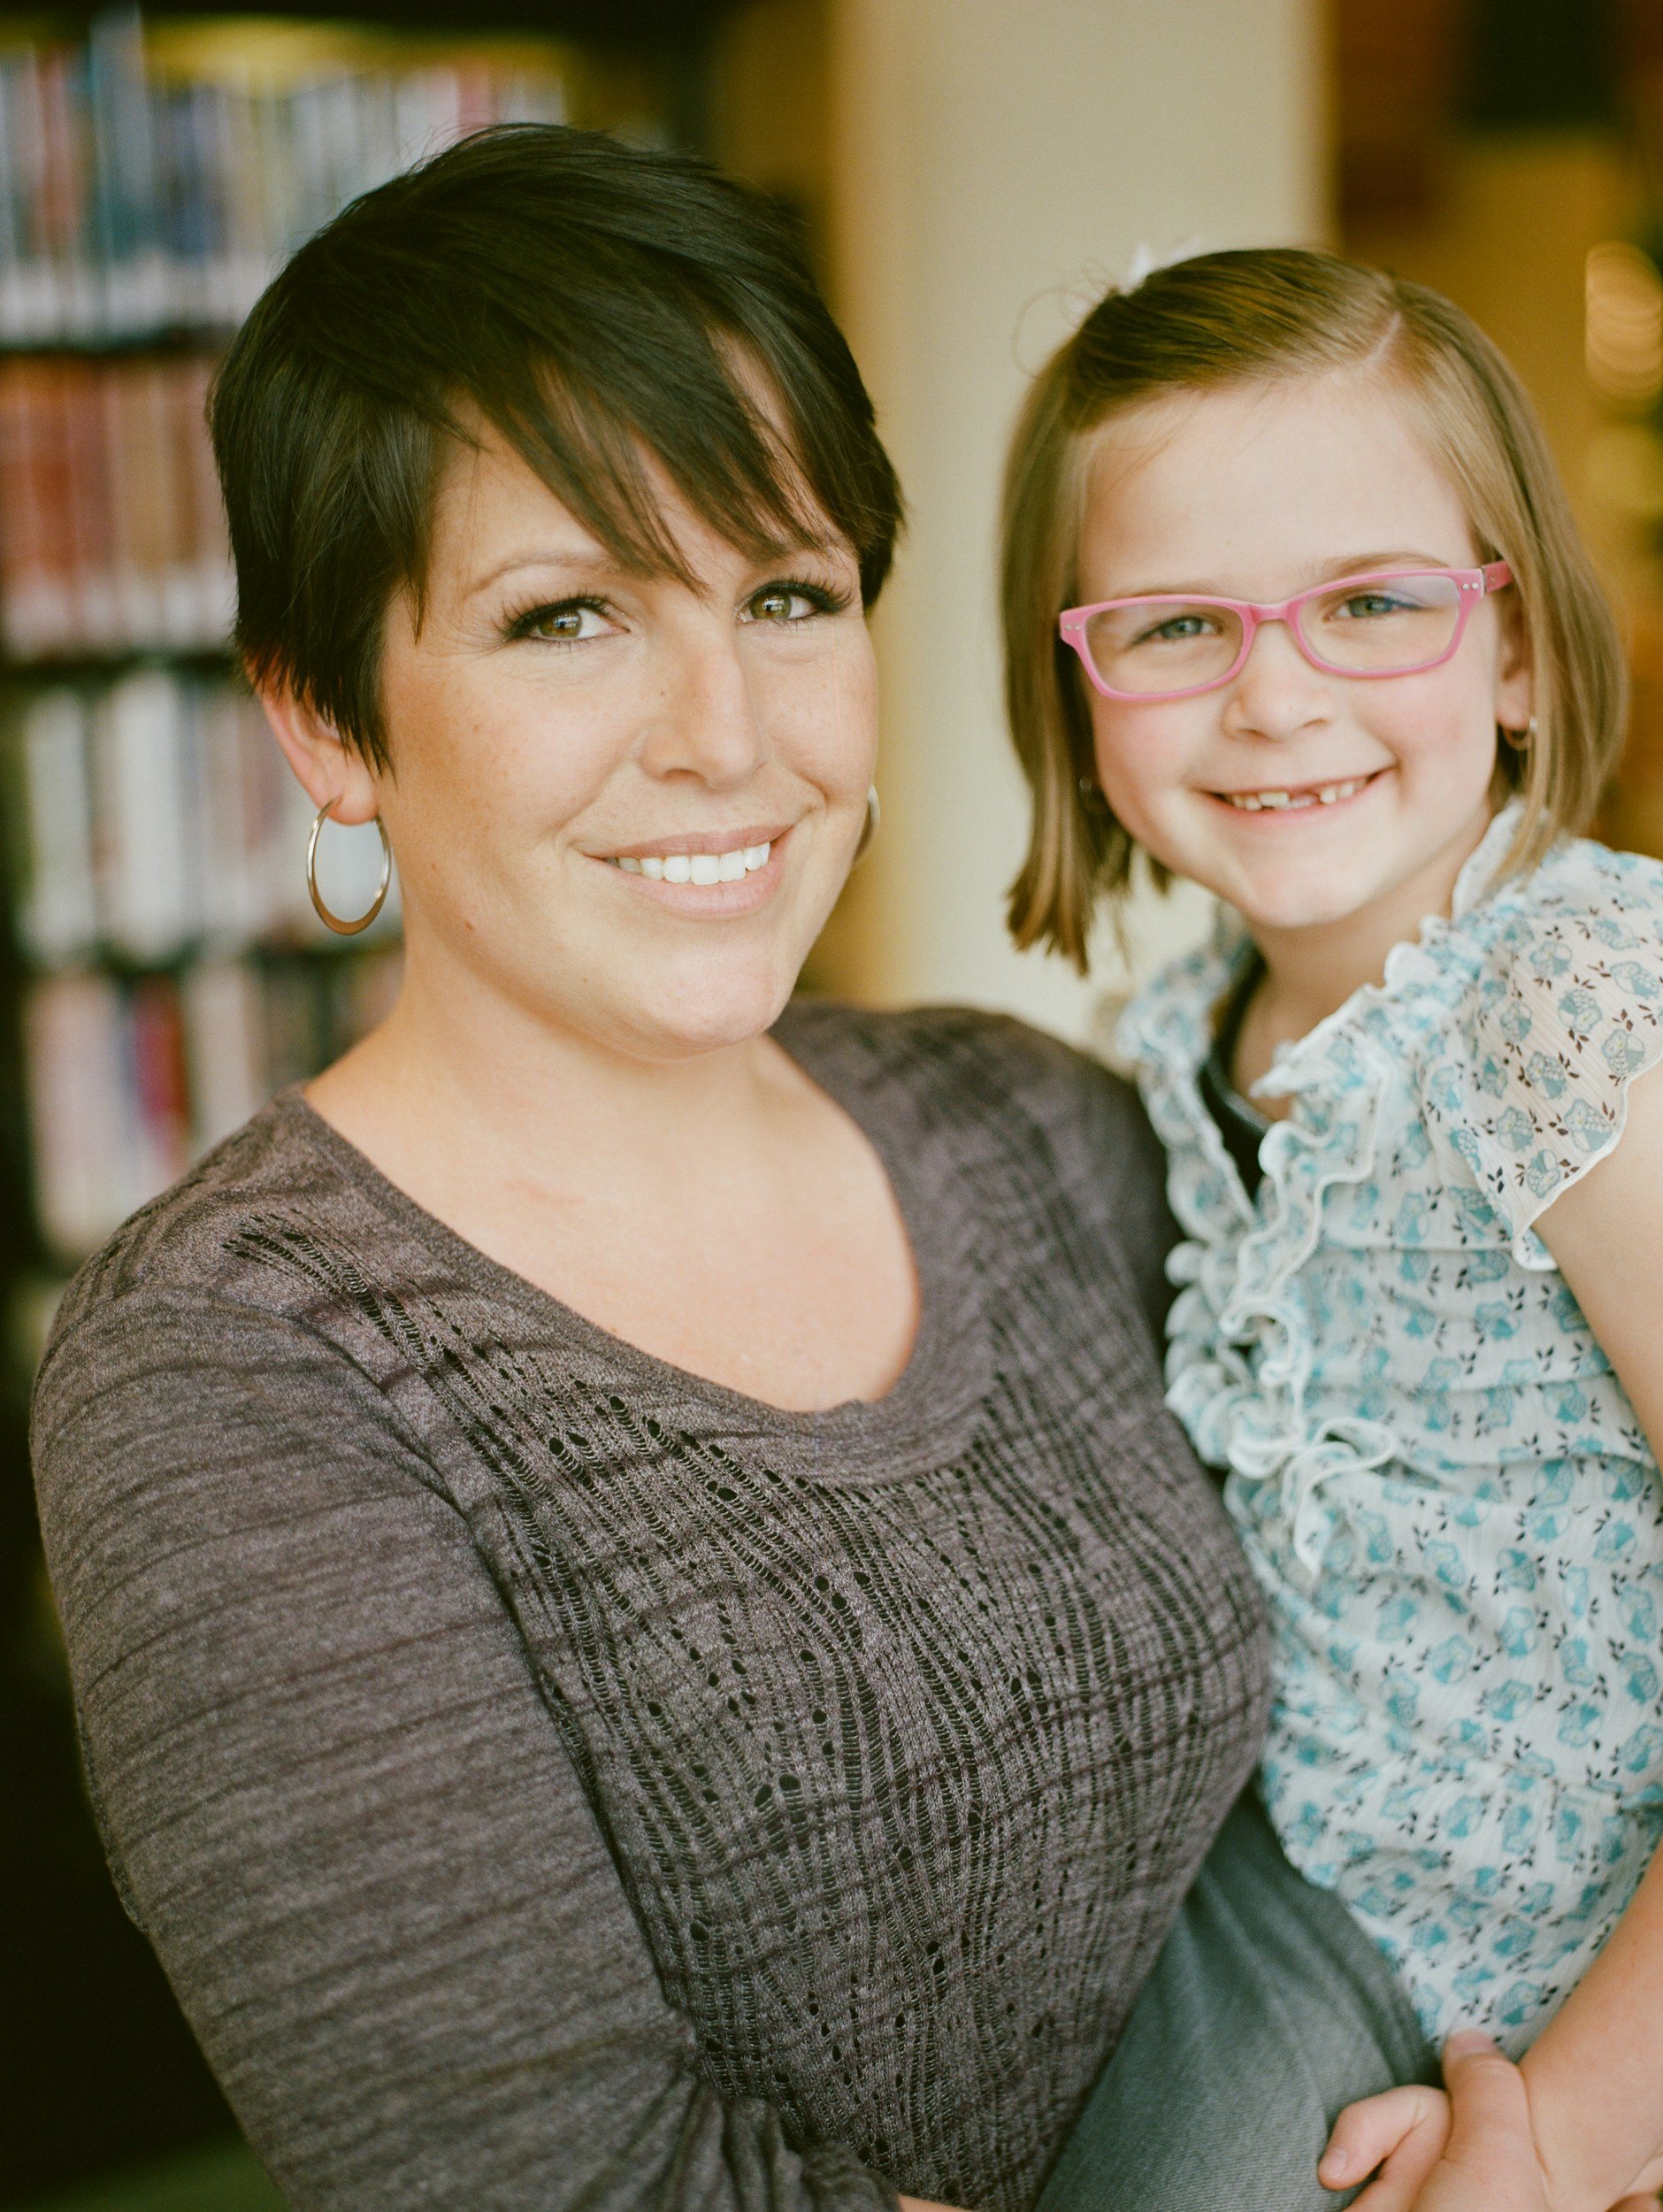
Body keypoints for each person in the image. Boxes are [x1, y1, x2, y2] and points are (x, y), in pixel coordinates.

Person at [32, 129, 1502, 2212]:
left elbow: (1418, 1681)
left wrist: (1496, 2091)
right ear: (325, 720)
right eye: (566, 618)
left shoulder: (1037, 1127)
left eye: (788, 593)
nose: (729, 734)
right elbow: (567, 2183)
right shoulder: (235, 1374)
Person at [1000, 242, 1663, 2211]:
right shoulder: (1182, 1031)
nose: (1277, 698)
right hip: (1290, 1883)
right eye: (1178, 624)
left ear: (1517, 650)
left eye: (1372, 602)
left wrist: (1574, 2124)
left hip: (1584, 1997)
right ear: (1080, 680)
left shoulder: (1586, 1025)